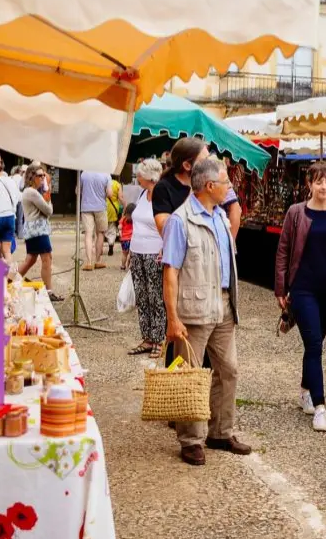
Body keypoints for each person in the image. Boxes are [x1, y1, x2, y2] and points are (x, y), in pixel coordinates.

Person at [162, 157, 251, 466]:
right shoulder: (180, 220)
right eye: (226, 182)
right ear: (210, 186)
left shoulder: (220, 217)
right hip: (195, 308)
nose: (230, 187)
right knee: (190, 375)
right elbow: (170, 271)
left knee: (229, 369)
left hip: (224, 305)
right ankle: (191, 440)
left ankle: (220, 431)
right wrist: (173, 318)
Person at [274, 162, 326, 432]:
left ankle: (305, 388)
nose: (324, 187)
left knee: (314, 345)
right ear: (309, 184)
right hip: (303, 288)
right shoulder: (296, 213)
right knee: (315, 344)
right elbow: (283, 250)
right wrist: (281, 288)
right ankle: (320, 406)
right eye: (318, 182)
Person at [127, 159, 165, 358]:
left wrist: (165, 247)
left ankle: (159, 338)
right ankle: (147, 336)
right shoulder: (143, 194)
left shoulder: (161, 195)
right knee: (141, 295)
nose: (137, 177)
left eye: (139, 174)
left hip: (154, 251)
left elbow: (168, 223)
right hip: (137, 250)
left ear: (148, 176)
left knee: (155, 296)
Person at [20, 164, 63, 301]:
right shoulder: (32, 192)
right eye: (40, 175)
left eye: (44, 175)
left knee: (31, 259)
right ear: (32, 177)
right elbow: (48, 210)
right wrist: (48, 194)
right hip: (37, 230)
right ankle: (48, 292)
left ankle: (9, 282)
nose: (43, 178)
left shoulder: (31, 192)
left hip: (35, 230)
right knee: (46, 258)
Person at [0, 154, 21, 263]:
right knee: (7, 251)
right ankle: (7, 277)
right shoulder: (12, 181)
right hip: (10, 217)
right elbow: (18, 198)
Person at [80, 170, 111, 270]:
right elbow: (110, 193)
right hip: (101, 207)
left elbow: (78, 191)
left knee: (88, 234)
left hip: (86, 207)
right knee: (100, 234)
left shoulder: (84, 173)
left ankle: (89, 262)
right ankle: (98, 261)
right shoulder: (106, 174)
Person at [105, 176, 125, 257]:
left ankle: (98, 249)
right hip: (114, 208)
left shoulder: (104, 182)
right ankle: (110, 245)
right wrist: (125, 204)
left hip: (103, 206)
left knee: (101, 229)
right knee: (112, 228)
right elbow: (120, 197)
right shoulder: (117, 184)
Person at [119, 203, 135, 270]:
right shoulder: (134, 220)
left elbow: (119, 227)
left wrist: (120, 232)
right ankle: (131, 266)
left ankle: (123, 265)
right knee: (131, 253)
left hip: (124, 239)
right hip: (132, 239)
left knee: (124, 253)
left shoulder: (123, 219)